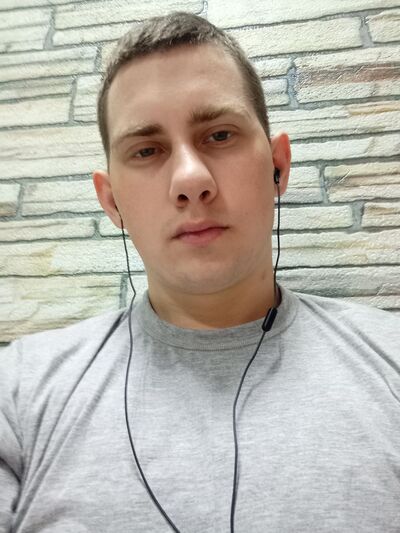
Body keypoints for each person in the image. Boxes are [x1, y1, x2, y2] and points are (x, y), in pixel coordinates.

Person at [0, 11, 399, 533]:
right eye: (147, 150)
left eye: (219, 135)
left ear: (278, 166)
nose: (191, 179)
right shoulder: (18, 391)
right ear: (112, 201)